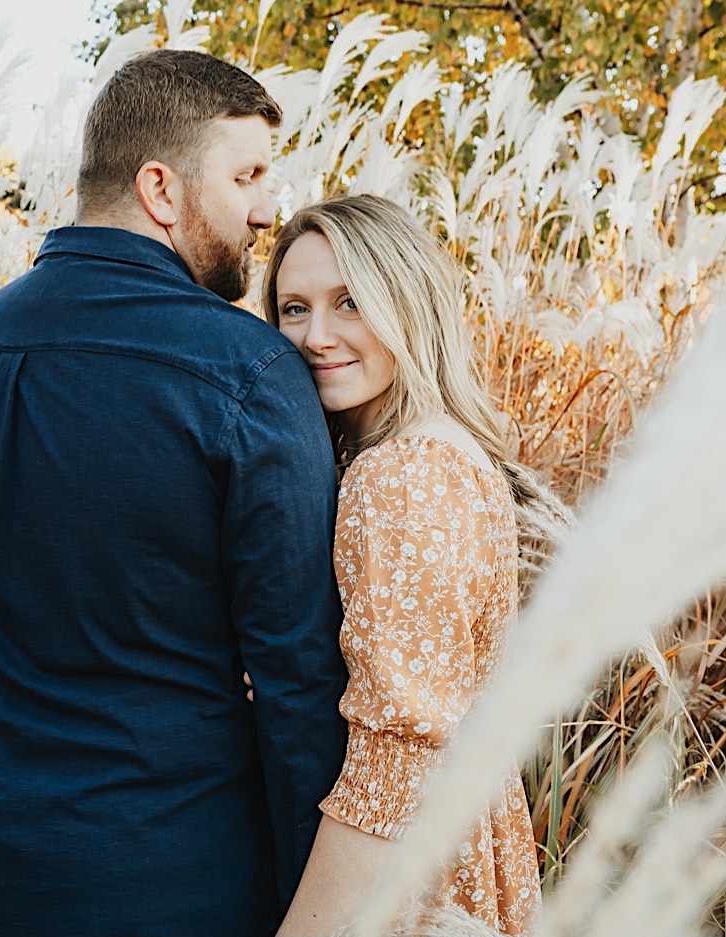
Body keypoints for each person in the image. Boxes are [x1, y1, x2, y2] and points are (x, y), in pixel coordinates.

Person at [0, 50, 349, 937]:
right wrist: (313, 910)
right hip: (171, 890)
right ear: (160, 189)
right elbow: (300, 687)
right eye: (246, 176)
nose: (267, 210)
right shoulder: (250, 372)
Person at [262, 195, 561, 936]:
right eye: (294, 309)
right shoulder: (443, 449)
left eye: (350, 302)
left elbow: (399, 761)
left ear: (409, 304)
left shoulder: (400, 476)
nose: (316, 336)